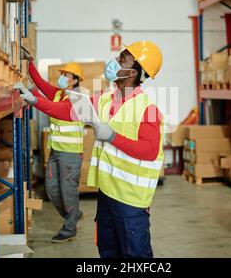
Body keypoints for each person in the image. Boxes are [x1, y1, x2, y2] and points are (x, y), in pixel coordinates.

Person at [15, 41, 164, 258]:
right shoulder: (105, 98)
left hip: (131, 201)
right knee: (108, 250)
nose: (115, 61)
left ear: (132, 72)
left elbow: (149, 151)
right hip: (106, 193)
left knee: (135, 255)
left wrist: (113, 137)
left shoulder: (147, 108)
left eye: (122, 59)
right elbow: (68, 110)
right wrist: (34, 100)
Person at [15, 62, 85, 243]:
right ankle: (73, 214)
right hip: (56, 151)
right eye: (62, 73)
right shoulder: (59, 93)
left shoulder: (77, 98)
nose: (62, 77)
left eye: (67, 75)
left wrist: (34, 98)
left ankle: (70, 229)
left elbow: (53, 109)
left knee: (67, 192)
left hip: (70, 154)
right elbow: (40, 83)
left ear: (76, 80)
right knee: (52, 189)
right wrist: (27, 64)